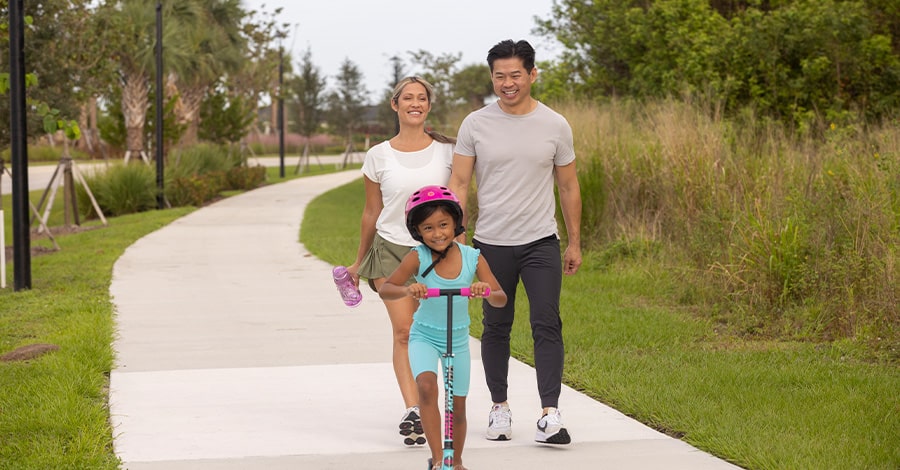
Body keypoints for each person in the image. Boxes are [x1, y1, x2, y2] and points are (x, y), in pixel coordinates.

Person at [448, 39, 583, 445]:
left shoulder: (555, 124)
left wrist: (574, 241)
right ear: (492, 77)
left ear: (532, 75)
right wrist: (457, 238)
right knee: (496, 326)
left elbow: (569, 185)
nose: (507, 83)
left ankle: (549, 414)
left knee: (547, 322)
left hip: (541, 242)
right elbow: (458, 182)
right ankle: (500, 409)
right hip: (491, 244)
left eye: (515, 75)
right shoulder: (475, 124)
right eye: (499, 76)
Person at [346, 77, 455, 446]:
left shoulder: (448, 152)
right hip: (392, 252)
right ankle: (415, 409)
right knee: (404, 332)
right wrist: (358, 263)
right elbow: (371, 211)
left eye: (421, 98)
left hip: (438, 253)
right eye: (407, 98)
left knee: (437, 337)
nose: (415, 103)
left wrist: (462, 251)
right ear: (395, 105)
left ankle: (431, 404)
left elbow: (460, 206)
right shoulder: (378, 155)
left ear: (428, 105)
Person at [380, 185, 507, 470]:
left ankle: (456, 462)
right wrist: (408, 290)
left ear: (455, 224)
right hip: (424, 335)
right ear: (417, 231)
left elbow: (500, 299)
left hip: (458, 340)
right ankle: (439, 460)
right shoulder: (418, 257)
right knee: (426, 387)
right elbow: (387, 289)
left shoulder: (473, 257)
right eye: (428, 228)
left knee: (457, 405)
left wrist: (485, 289)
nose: (437, 233)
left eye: (443, 225)